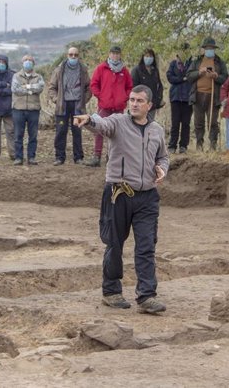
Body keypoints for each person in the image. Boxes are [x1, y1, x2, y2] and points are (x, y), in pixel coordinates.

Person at [73, 84, 169, 314]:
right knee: (114, 243)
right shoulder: (118, 122)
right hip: (119, 192)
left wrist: (162, 168)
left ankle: (147, 296)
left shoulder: (157, 130)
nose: (134, 104)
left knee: (146, 246)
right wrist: (88, 119)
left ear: (149, 106)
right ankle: (111, 291)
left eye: (139, 101)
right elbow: (101, 124)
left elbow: (163, 156)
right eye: (132, 99)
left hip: (147, 196)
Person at [88, 45, 133, 167]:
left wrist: (125, 97)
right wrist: (100, 96)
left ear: (120, 55)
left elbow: (130, 86)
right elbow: (94, 84)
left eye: (117, 53)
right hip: (104, 106)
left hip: (118, 108)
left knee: (116, 133)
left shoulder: (124, 71)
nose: (115, 56)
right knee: (99, 130)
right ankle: (96, 156)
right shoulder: (101, 68)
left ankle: (112, 157)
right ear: (109, 54)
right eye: (113, 53)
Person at [48, 46, 91, 165]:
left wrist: (84, 100)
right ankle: (59, 157)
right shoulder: (59, 70)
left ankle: (78, 157)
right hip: (63, 105)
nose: (73, 57)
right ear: (67, 55)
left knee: (77, 131)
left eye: (76, 55)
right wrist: (57, 100)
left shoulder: (83, 70)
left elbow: (89, 87)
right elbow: (52, 88)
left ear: (78, 56)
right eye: (71, 54)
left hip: (78, 105)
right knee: (61, 131)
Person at [187, 37, 228, 151]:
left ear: (214, 49)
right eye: (207, 48)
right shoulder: (197, 62)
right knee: (198, 122)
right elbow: (189, 76)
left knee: (213, 122)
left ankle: (212, 146)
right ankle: (199, 146)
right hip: (198, 95)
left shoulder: (220, 62)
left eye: (212, 48)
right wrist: (199, 72)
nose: (209, 50)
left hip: (213, 96)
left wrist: (216, 76)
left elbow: (225, 78)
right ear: (204, 49)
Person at [11, 55, 44, 165]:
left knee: (33, 135)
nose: (28, 62)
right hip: (18, 109)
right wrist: (31, 89)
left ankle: (31, 157)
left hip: (33, 110)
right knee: (18, 135)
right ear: (22, 62)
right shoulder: (16, 76)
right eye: (25, 60)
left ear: (33, 63)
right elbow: (15, 89)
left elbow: (40, 88)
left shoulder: (38, 76)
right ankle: (18, 158)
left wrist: (26, 87)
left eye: (30, 60)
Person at [166, 43, 193, 153]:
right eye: (182, 49)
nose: (184, 52)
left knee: (186, 123)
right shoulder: (173, 64)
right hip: (175, 97)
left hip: (188, 97)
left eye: (186, 50)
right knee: (175, 123)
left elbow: (192, 77)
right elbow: (170, 77)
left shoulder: (192, 64)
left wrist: (182, 78)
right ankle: (172, 146)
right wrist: (183, 78)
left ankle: (183, 146)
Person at [131, 48, 164, 120]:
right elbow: (134, 88)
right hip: (140, 104)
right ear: (143, 57)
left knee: (150, 125)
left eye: (150, 56)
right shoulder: (136, 70)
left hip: (152, 104)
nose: (148, 58)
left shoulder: (155, 70)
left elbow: (159, 86)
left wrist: (158, 99)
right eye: (146, 56)